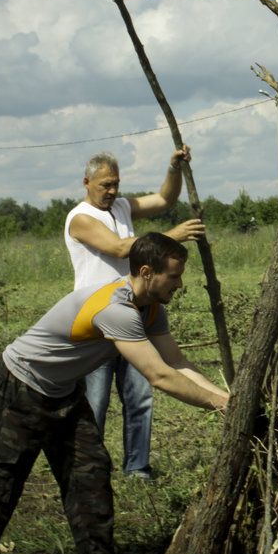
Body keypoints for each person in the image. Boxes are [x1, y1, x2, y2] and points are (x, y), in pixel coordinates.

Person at [0, 233, 230, 554]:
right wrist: (220, 407)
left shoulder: (151, 307)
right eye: (175, 276)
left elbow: (178, 362)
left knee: (90, 478)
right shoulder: (115, 309)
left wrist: (228, 399)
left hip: (66, 393)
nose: (181, 284)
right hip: (20, 389)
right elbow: (160, 376)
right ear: (147, 272)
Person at [65, 148, 205, 480]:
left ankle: (138, 469)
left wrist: (174, 168)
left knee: (140, 396)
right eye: (105, 185)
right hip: (96, 322)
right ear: (87, 182)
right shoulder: (80, 218)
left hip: (133, 314)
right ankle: (90, 471)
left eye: (115, 184)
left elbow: (164, 199)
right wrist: (172, 237)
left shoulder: (122, 206)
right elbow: (115, 247)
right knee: (95, 403)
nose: (112, 191)